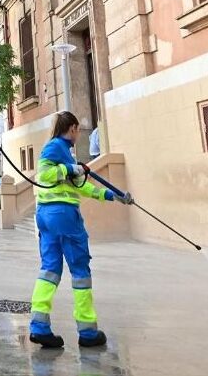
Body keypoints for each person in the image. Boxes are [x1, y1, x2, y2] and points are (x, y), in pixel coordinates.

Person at [29, 111, 132, 349]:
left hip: (46, 216)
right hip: (63, 216)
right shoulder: (56, 147)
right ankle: (87, 331)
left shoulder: (63, 151)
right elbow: (44, 175)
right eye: (78, 131)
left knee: (50, 270)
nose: (78, 135)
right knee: (80, 270)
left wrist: (112, 195)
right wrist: (69, 169)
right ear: (73, 128)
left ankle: (39, 326)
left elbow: (82, 187)